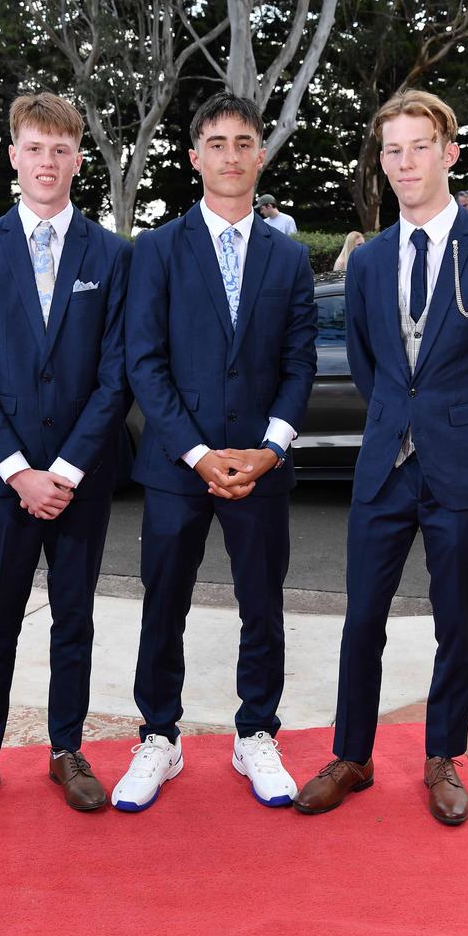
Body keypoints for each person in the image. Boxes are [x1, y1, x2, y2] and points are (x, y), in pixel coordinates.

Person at [294, 88, 468, 826]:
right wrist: (401, 422)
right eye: (392, 150)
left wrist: (464, 427)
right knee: (361, 619)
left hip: (463, 469)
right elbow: (375, 369)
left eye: (419, 147)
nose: (405, 162)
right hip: (382, 469)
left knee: (455, 620)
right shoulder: (370, 261)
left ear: (449, 153)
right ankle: (352, 755)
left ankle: (443, 757)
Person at [113, 91, 317, 812]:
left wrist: (268, 449)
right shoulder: (158, 250)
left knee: (262, 604)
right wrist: (198, 452)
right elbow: (145, 362)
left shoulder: (289, 259)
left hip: (261, 467)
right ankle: (158, 738)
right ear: (195, 156)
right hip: (176, 466)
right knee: (162, 604)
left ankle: (255, 732)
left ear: (260, 154)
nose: (231, 155)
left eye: (243, 142)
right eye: (216, 142)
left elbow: (299, 365)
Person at [0, 92, 132, 826]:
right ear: (14, 155)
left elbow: (116, 375)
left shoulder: (111, 256)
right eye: (34, 148)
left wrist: (69, 471)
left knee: (74, 620)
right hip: (4, 481)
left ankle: (66, 751)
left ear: (77, 160)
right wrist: (19, 471)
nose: (47, 162)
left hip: (81, 482)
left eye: (60, 150)